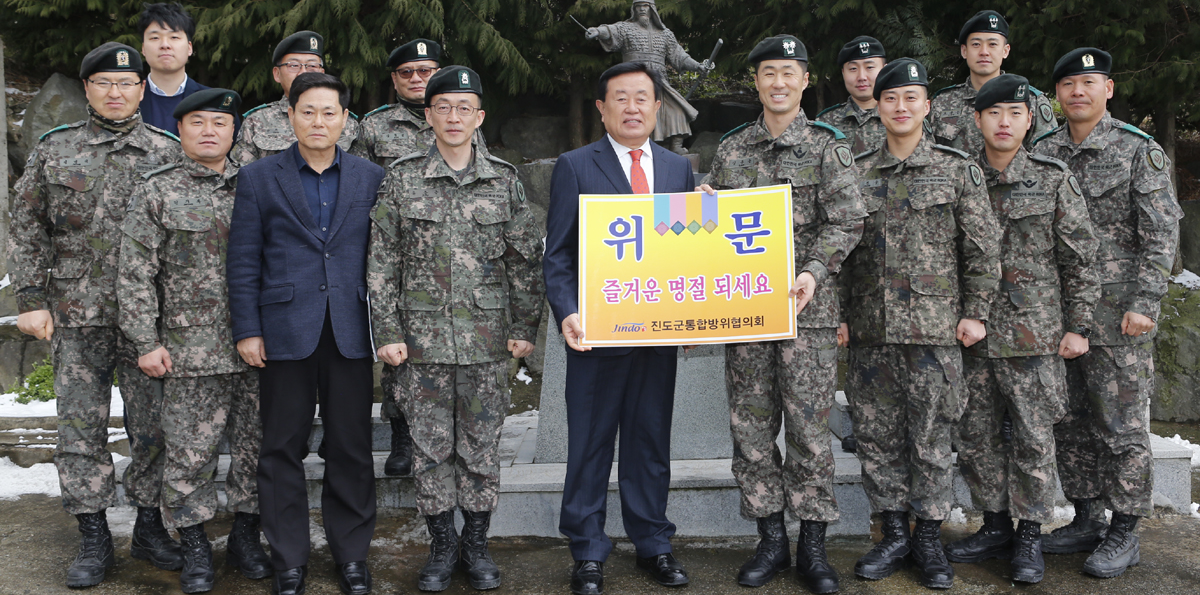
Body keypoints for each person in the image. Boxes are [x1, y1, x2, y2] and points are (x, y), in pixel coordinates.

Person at [8, 43, 184, 587]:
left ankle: (151, 527)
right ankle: (93, 536)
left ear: (141, 89)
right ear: (86, 89)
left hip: (147, 321)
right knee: (80, 429)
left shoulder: (167, 151)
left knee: (153, 427)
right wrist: (31, 300)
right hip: (75, 313)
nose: (115, 92)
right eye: (104, 82)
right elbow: (28, 227)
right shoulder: (54, 152)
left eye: (126, 84)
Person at [368, 65, 544, 592]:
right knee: (429, 450)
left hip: (488, 343)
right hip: (419, 344)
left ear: (479, 116)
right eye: (442, 107)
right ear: (429, 115)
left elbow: (523, 262)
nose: (452, 116)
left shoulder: (504, 179)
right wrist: (387, 332)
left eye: (463, 107)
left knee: (481, 448)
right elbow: (381, 263)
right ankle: (442, 546)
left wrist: (523, 327)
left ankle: (477, 544)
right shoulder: (401, 178)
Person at [705, 35, 866, 593]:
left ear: (804, 80)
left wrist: (813, 271)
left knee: (808, 429)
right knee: (750, 427)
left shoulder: (828, 147)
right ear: (756, 81)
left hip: (807, 311)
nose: (778, 82)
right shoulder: (732, 150)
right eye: (768, 72)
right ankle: (770, 538)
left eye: (788, 73)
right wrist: (699, 207)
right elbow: (713, 226)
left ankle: (813, 545)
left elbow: (847, 221)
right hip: (744, 310)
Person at [840, 58, 1001, 590]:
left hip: (936, 333)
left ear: (927, 107)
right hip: (871, 332)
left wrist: (977, 312)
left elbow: (982, 250)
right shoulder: (857, 171)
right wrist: (839, 317)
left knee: (932, 439)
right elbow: (837, 249)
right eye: (891, 99)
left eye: (911, 98)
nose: (901, 107)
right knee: (878, 438)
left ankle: (929, 535)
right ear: (879, 108)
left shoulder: (957, 170)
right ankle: (893, 532)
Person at [227, 72, 385, 595]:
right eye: (308, 111)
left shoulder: (370, 177)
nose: (319, 121)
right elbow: (244, 260)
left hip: (350, 330)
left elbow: (385, 257)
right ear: (289, 115)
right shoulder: (258, 177)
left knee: (352, 447)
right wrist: (248, 329)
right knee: (280, 448)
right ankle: (289, 558)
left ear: (345, 119)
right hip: (283, 331)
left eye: (329, 112)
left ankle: (352, 555)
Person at [543, 61, 695, 595]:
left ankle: (654, 543)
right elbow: (558, 254)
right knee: (588, 444)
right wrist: (567, 311)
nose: (633, 108)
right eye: (621, 99)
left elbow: (687, 250)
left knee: (650, 443)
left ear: (659, 107)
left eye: (642, 98)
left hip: (656, 337)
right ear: (602, 109)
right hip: (597, 336)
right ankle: (587, 550)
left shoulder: (679, 170)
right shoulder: (575, 166)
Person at [1032, 48, 1183, 578]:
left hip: (1119, 316)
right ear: (1057, 94)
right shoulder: (1044, 151)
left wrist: (1145, 304)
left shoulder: (1137, 151)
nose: (1078, 91)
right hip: (1058, 316)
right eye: (1068, 83)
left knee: (1120, 425)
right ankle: (1086, 516)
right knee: (1070, 421)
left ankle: (1124, 529)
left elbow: (1161, 233)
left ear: (1109, 89)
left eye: (1088, 83)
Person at [943, 75, 1100, 584]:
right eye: (994, 114)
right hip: (972, 337)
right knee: (976, 436)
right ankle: (994, 525)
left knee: (1034, 439)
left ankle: (1029, 534)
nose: (1004, 122)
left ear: (1030, 120)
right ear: (977, 120)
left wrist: (1078, 326)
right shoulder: (959, 179)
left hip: (1034, 338)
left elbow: (1080, 262)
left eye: (1014, 113)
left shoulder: (1053, 179)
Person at [117, 89, 271, 593]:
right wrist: (145, 340)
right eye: (198, 121)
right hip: (188, 352)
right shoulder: (156, 190)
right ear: (179, 129)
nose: (209, 131)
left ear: (235, 131)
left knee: (256, 449)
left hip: (259, 348)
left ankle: (247, 536)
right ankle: (196, 544)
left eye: (220, 123)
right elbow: (136, 273)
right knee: (189, 454)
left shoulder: (260, 183)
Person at [351, 38, 459, 479]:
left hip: (452, 252)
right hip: (398, 251)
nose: (418, 79)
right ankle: (401, 434)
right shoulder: (375, 128)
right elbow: (358, 189)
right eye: (407, 73)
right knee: (401, 352)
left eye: (426, 70)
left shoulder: (460, 116)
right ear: (394, 80)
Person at [584, 0, 713, 153]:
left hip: (660, 81)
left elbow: (679, 56)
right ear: (634, 9)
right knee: (638, 111)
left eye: (645, 6)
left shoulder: (665, 34)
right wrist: (597, 31)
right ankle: (643, 147)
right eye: (638, 7)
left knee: (676, 109)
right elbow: (611, 30)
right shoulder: (627, 29)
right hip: (633, 81)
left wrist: (698, 66)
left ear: (652, 9)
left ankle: (676, 146)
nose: (642, 10)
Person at [929, 11, 1057, 152]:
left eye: (992, 44)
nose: (984, 52)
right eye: (976, 44)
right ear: (964, 51)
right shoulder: (942, 102)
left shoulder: (1031, 101)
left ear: (1005, 51)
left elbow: (1047, 160)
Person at [231, 31, 359, 165]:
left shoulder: (346, 123)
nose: (303, 73)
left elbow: (359, 173)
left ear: (322, 73)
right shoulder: (257, 121)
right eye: (293, 65)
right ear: (277, 74)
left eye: (312, 66)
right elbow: (244, 175)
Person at [137, 2, 211, 135]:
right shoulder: (127, 101)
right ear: (143, 49)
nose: (165, 45)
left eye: (174, 37)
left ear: (189, 48)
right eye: (155, 37)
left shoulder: (213, 101)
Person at [815, 36, 888, 155]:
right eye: (853, 68)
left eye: (869, 67)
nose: (861, 77)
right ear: (843, 72)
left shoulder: (901, 117)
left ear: (885, 70)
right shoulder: (826, 123)